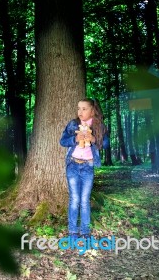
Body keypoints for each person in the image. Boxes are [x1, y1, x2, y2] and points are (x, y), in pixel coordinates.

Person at [59, 98, 106, 239]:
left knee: (85, 200)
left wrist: (93, 140)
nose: (80, 112)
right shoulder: (73, 124)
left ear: (92, 111)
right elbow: (62, 141)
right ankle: (73, 231)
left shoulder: (99, 126)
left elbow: (106, 143)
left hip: (88, 167)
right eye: (79, 108)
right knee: (74, 199)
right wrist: (75, 139)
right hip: (73, 165)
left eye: (84, 109)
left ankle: (85, 232)